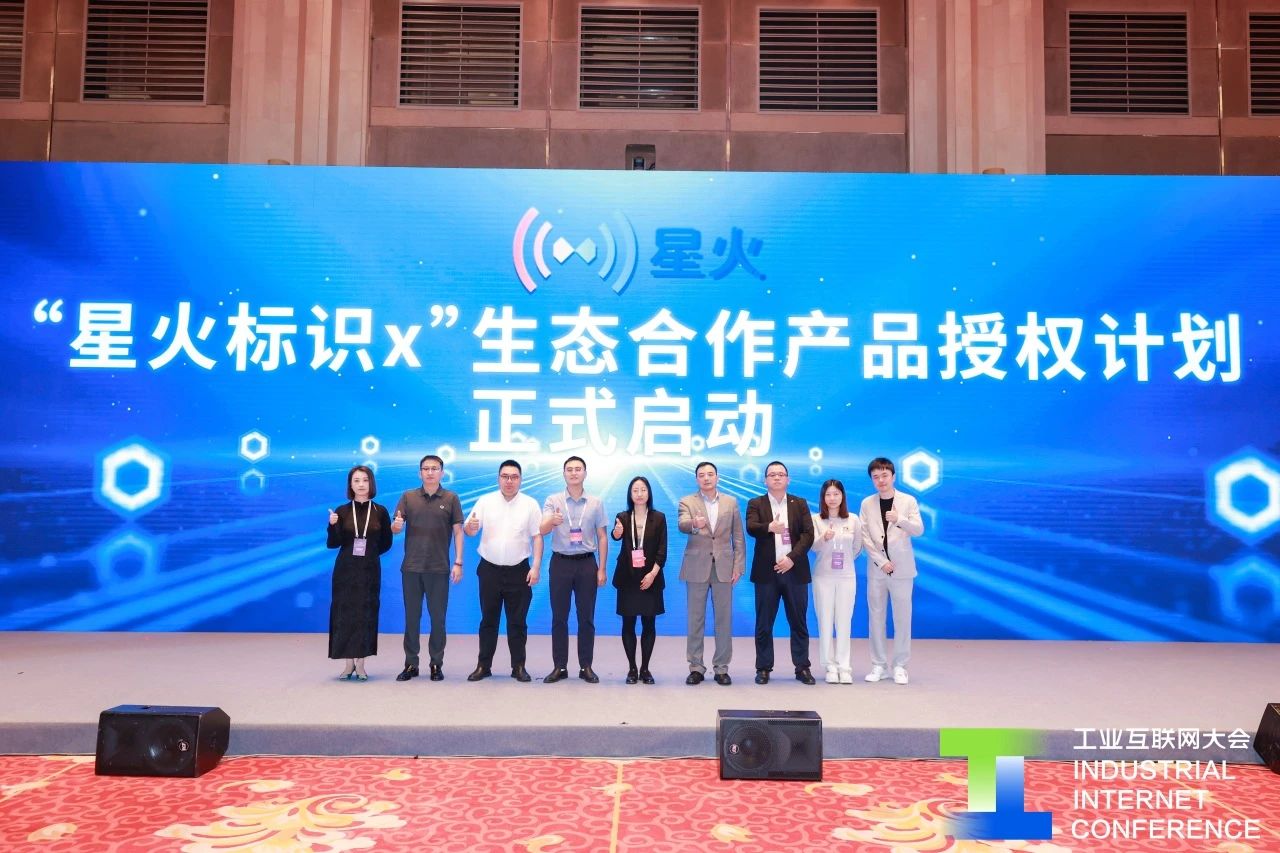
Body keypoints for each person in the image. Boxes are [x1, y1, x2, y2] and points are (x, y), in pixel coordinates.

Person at [464, 459, 543, 682]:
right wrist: (470, 528)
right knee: (488, 620)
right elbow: (470, 530)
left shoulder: (530, 504)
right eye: (505, 476)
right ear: (498, 478)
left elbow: (537, 537)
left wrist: (536, 566)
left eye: (514, 477)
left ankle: (518, 666)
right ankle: (483, 666)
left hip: (519, 571)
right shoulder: (485, 501)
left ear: (520, 479)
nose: (509, 481)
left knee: (517, 622)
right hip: (489, 570)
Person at [390, 454, 464, 682]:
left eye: (434, 468)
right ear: (419, 473)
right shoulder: (408, 497)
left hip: (439, 568)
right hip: (411, 568)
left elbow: (458, 531)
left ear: (442, 472)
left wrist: (458, 562)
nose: (430, 472)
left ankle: (436, 664)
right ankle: (411, 664)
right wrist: (396, 526)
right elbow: (396, 527)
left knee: (438, 619)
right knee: (412, 618)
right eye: (426, 468)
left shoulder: (451, 498)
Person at [745, 461, 816, 685]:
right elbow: (751, 527)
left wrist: (791, 558)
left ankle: (802, 667)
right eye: (772, 475)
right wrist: (769, 527)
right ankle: (763, 668)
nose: (777, 478)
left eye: (781, 474)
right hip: (767, 573)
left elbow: (808, 534)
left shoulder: (799, 503)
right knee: (764, 623)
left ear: (788, 479)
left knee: (798, 621)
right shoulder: (756, 503)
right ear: (765, 480)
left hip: (795, 571)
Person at [539, 456, 609, 684]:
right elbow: (542, 529)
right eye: (569, 469)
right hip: (560, 563)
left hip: (587, 563)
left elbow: (602, 536)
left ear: (585, 473)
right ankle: (559, 667)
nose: (574, 473)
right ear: (564, 474)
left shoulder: (596, 502)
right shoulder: (553, 500)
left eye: (578, 469)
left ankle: (586, 666)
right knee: (559, 617)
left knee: (586, 617)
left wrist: (602, 569)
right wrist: (552, 520)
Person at [677, 461, 744, 686]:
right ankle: (696, 667)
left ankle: (721, 668)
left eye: (710, 474)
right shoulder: (687, 501)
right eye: (702, 475)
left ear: (717, 477)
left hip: (724, 566)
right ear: (696, 479)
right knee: (695, 619)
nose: (706, 478)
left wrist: (738, 566)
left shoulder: (730, 502)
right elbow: (682, 524)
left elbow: (738, 537)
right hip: (697, 566)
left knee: (724, 620)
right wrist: (694, 524)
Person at [859, 457, 924, 685]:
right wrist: (880, 561)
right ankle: (878, 665)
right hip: (877, 570)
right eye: (876, 477)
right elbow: (865, 536)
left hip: (902, 569)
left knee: (902, 618)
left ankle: (900, 666)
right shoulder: (867, 503)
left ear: (893, 476)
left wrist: (900, 519)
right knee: (876, 617)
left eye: (884, 475)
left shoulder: (908, 501)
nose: (881, 480)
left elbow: (918, 529)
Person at [327, 465, 394, 681]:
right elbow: (333, 543)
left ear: (371, 483)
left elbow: (386, 543)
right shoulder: (342, 511)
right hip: (345, 570)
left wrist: (369, 554)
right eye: (356, 480)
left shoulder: (381, 511)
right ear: (350, 485)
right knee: (345, 614)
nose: (361, 484)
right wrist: (332, 526)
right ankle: (348, 663)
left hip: (369, 571)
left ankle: (362, 663)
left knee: (366, 614)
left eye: (365, 480)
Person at [610, 476, 667, 684]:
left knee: (649, 623)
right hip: (628, 578)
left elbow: (662, 550)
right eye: (635, 490)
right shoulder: (623, 517)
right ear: (630, 494)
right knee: (628, 623)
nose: (640, 493)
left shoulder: (659, 518)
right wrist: (617, 533)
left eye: (643, 489)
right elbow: (616, 535)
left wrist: (652, 574)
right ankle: (632, 669)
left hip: (651, 577)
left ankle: (645, 669)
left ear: (649, 493)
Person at [810, 479, 862, 684]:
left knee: (844, 621)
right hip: (823, 576)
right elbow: (812, 547)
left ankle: (844, 666)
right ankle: (829, 666)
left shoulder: (853, 519)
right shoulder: (816, 520)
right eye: (828, 494)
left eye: (836, 494)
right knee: (824, 621)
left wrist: (845, 559)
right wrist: (824, 538)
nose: (832, 498)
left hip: (846, 576)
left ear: (842, 496)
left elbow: (857, 547)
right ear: (823, 498)